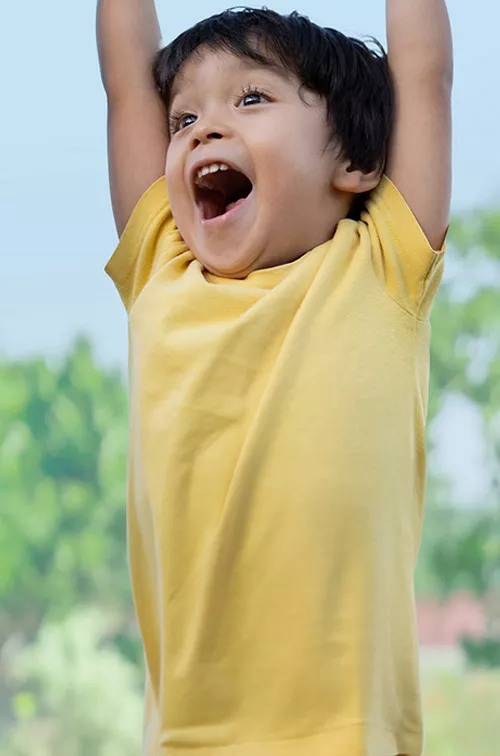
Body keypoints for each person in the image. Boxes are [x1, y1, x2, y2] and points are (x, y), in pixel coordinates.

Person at [96, 2, 453, 755]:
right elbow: (127, 81)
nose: (203, 128)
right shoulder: (160, 267)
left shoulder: (381, 266)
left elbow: (424, 74)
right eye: (183, 117)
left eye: (251, 98)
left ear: (355, 163)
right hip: (185, 743)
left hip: (349, 739)